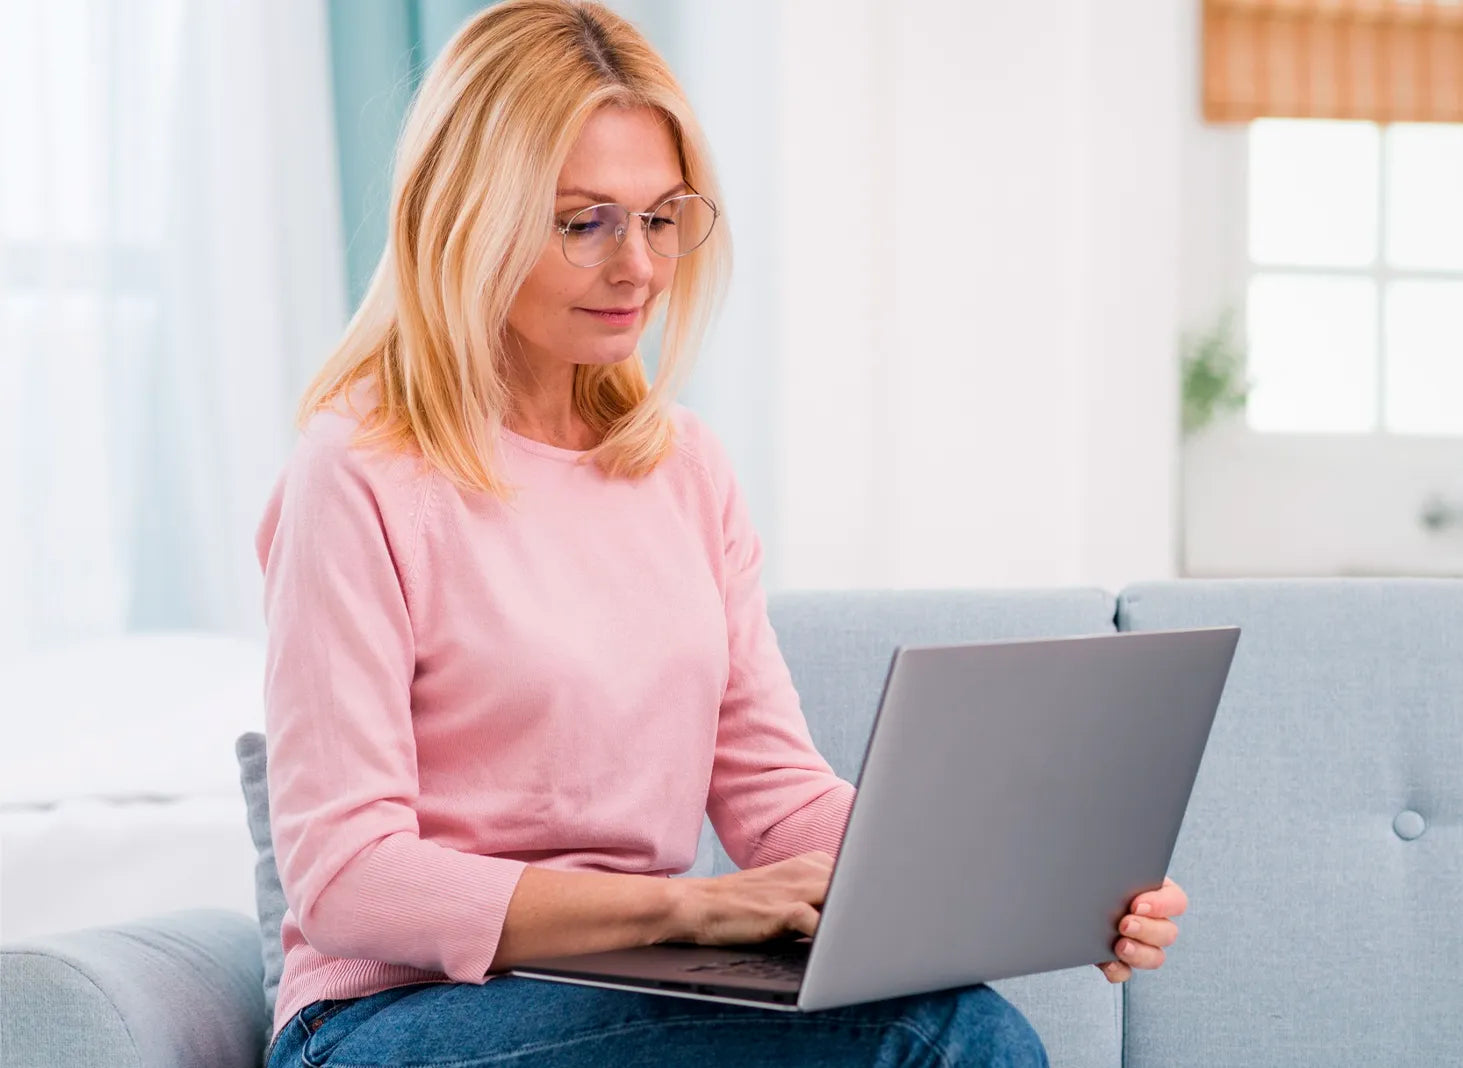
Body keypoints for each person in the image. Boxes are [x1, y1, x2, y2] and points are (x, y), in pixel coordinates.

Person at [257, 2, 1186, 1064]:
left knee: (946, 1020)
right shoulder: (358, 472)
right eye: (583, 222)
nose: (638, 268)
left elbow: (775, 799)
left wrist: (1032, 878)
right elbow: (347, 877)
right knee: (937, 1038)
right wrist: (690, 909)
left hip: (624, 987)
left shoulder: (683, 469)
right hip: (393, 1017)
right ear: (464, 220)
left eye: (661, 219)